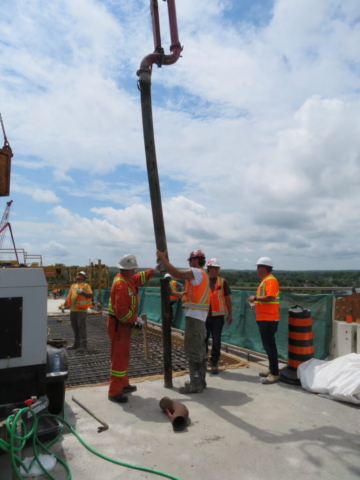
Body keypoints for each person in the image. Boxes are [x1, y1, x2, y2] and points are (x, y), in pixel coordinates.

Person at [156, 249, 209, 394]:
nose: (189, 263)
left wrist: (163, 259)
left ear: (196, 260)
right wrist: (172, 293)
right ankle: (200, 381)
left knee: (194, 352)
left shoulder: (197, 272)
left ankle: (196, 384)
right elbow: (186, 295)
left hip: (195, 320)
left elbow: (176, 274)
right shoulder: (198, 277)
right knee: (199, 351)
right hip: (197, 319)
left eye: (190, 260)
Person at [107, 254, 158, 404]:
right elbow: (121, 311)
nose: (136, 270)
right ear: (130, 269)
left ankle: (124, 385)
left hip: (122, 325)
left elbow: (139, 278)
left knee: (123, 356)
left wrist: (153, 270)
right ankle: (114, 392)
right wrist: (135, 319)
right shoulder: (121, 284)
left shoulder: (127, 279)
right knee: (119, 358)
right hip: (119, 325)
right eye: (134, 268)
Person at [249, 257, 280, 384]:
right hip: (265, 317)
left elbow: (271, 297)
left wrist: (255, 298)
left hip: (268, 318)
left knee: (270, 346)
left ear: (264, 268)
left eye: (258, 267)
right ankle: (272, 369)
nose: (256, 269)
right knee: (268, 346)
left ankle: (274, 373)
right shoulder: (266, 280)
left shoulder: (270, 280)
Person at [205, 258, 233, 374]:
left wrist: (230, 314)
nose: (217, 270)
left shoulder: (222, 282)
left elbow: (227, 298)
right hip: (204, 316)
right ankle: (202, 360)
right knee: (203, 340)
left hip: (218, 317)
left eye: (218, 268)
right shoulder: (202, 281)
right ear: (209, 268)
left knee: (216, 340)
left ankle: (214, 361)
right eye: (215, 268)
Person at [65, 271, 93, 354]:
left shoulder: (86, 286)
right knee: (75, 328)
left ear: (83, 277)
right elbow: (69, 295)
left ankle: (83, 346)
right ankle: (76, 344)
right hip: (73, 310)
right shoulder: (73, 285)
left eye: (80, 275)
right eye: (78, 274)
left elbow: (91, 295)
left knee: (81, 328)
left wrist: (82, 292)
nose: (78, 275)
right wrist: (66, 302)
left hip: (81, 310)